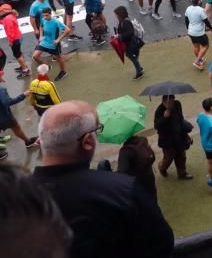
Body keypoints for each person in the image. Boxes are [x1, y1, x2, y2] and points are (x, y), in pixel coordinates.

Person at [31, 100, 174, 255]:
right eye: (98, 130)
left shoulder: (12, 200)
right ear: (87, 142)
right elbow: (163, 242)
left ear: (40, 141)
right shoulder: (122, 191)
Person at [153, 95, 192, 180]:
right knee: (168, 158)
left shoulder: (177, 104)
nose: (170, 104)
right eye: (168, 102)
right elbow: (156, 126)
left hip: (179, 136)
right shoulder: (159, 111)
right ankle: (162, 167)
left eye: (172, 101)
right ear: (163, 101)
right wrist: (164, 117)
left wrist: (185, 133)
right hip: (167, 139)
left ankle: (182, 173)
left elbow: (181, 118)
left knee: (181, 155)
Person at [117, 130, 157, 202]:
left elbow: (122, 172)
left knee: (141, 204)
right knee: (152, 199)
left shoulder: (124, 151)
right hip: (149, 176)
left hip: (136, 182)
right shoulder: (143, 139)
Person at [33, 7, 68, 80]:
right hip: (44, 42)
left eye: (47, 15)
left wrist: (58, 39)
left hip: (53, 44)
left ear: (50, 14)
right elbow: (41, 27)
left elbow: (67, 30)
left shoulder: (56, 22)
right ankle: (46, 66)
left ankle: (63, 72)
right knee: (35, 56)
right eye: (44, 15)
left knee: (59, 58)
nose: (45, 17)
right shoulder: (43, 19)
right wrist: (41, 36)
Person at [113, 6, 144, 80]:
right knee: (133, 57)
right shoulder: (122, 21)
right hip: (128, 44)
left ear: (120, 14)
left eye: (116, 14)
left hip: (130, 44)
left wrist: (120, 36)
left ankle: (139, 72)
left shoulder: (125, 22)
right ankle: (140, 68)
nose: (116, 16)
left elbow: (130, 33)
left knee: (132, 57)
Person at [185, 0, 211, 71]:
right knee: (206, 46)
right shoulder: (201, 10)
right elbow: (206, 21)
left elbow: (186, 20)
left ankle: (200, 60)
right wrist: (211, 28)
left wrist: (188, 29)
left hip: (191, 32)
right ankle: (197, 61)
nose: (202, 0)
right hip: (199, 33)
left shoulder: (188, 8)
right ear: (198, 1)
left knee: (196, 47)